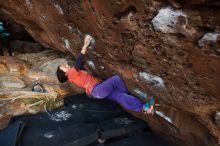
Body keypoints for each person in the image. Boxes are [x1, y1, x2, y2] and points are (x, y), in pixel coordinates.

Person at [56, 35, 154, 114]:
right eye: (64, 67)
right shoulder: (71, 74)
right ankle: (133, 100)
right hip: (98, 90)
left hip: (98, 92)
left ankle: (144, 108)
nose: (66, 65)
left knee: (121, 97)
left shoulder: (73, 76)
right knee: (116, 79)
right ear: (65, 74)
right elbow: (79, 62)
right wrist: (85, 45)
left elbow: (81, 65)